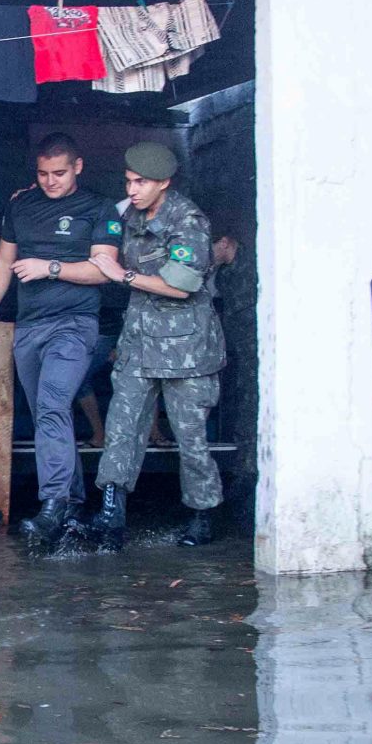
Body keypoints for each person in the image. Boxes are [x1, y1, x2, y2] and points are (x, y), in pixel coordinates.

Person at [0, 135, 120, 551]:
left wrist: (51, 267)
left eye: (59, 173)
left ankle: (53, 503)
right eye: (42, 174)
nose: (50, 181)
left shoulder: (98, 208)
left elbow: (105, 270)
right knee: (47, 413)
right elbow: (3, 260)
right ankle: (72, 505)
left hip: (75, 323)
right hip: (29, 326)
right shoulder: (21, 205)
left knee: (53, 404)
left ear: (78, 167)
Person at [88, 141, 228, 547]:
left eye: (141, 183)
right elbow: (99, 231)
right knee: (122, 428)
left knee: (190, 437)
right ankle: (111, 514)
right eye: (129, 181)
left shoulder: (188, 221)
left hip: (186, 350)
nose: (132, 190)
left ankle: (202, 514)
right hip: (139, 343)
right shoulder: (128, 213)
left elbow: (181, 287)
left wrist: (123, 276)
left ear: (164, 182)